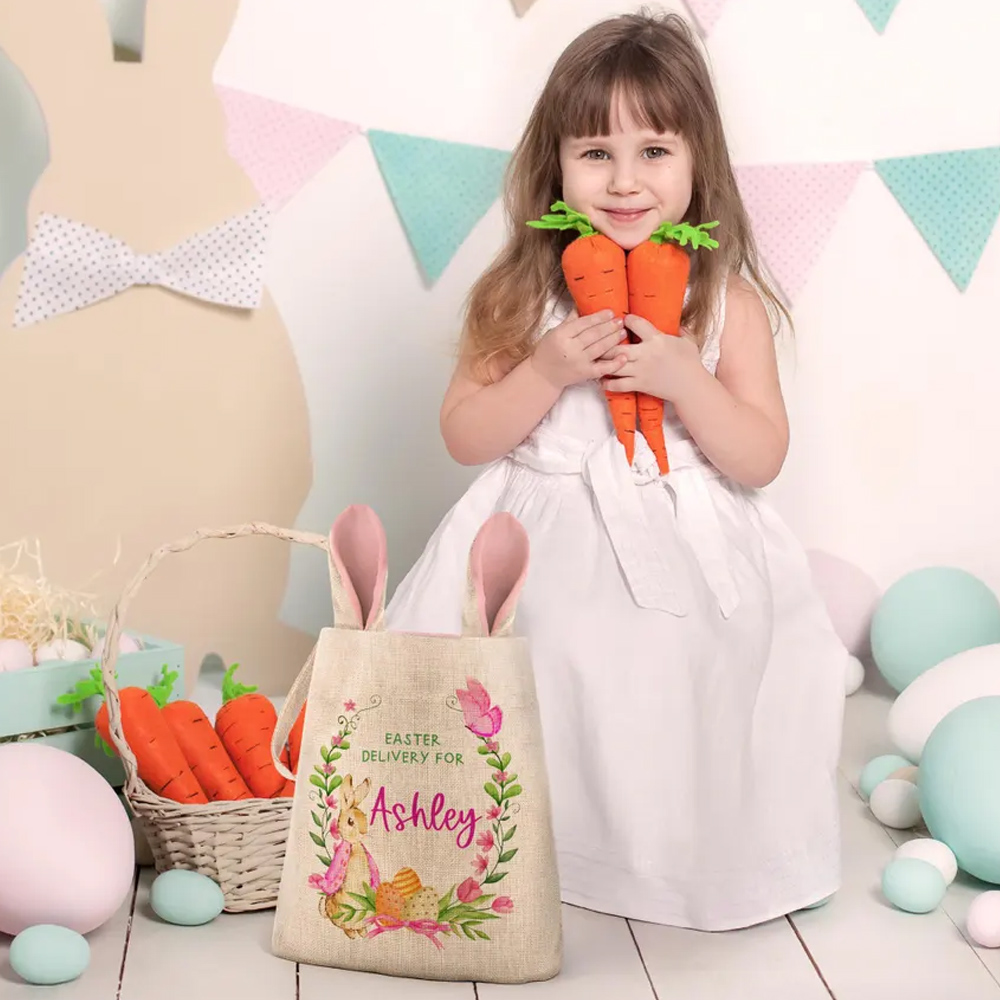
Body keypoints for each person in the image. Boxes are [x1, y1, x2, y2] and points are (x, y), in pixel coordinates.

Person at [385, 9, 849, 931]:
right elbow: (465, 434)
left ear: (698, 162)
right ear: (555, 164)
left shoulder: (727, 302)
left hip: (687, 543)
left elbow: (761, 455)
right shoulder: (522, 292)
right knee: (555, 648)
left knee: (697, 663)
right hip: (546, 539)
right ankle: (537, 848)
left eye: (654, 151)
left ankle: (679, 856)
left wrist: (686, 380)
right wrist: (544, 371)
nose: (626, 180)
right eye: (596, 152)